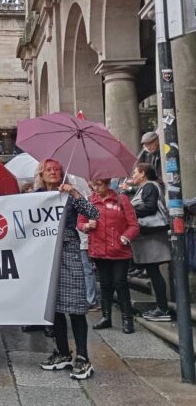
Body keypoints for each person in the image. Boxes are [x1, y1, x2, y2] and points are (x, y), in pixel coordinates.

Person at [35, 159, 99, 380]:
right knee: (54, 307)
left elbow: (93, 213)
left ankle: (82, 356)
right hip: (45, 253)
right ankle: (63, 352)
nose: (53, 172)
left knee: (75, 306)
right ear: (41, 175)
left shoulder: (70, 196)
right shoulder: (37, 197)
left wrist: (74, 193)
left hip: (69, 251)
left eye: (56, 170)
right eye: (48, 170)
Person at [80, 179, 139, 334]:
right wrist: (86, 226)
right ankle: (106, 317)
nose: (95, 187)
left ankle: (127, 319)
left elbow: (133, 225)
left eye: (98, 184)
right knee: (105, 285)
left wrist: (125, 238)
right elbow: (80, 222)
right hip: (99, 251)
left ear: (107, 184)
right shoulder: (89, 201)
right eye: (93, 184)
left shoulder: (122, 199)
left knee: (120, 283)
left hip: (119, 250)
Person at [129, 163, 172, 322]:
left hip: (151, 236)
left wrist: (129, 210)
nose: (133, 175)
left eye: (135, 173)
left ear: (143, 173)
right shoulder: (147, 186)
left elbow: (150, 207)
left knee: (154, 273)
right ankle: (162, 308)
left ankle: (163, 309)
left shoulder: (149, 186)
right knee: (154, 273)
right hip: (150, 236)